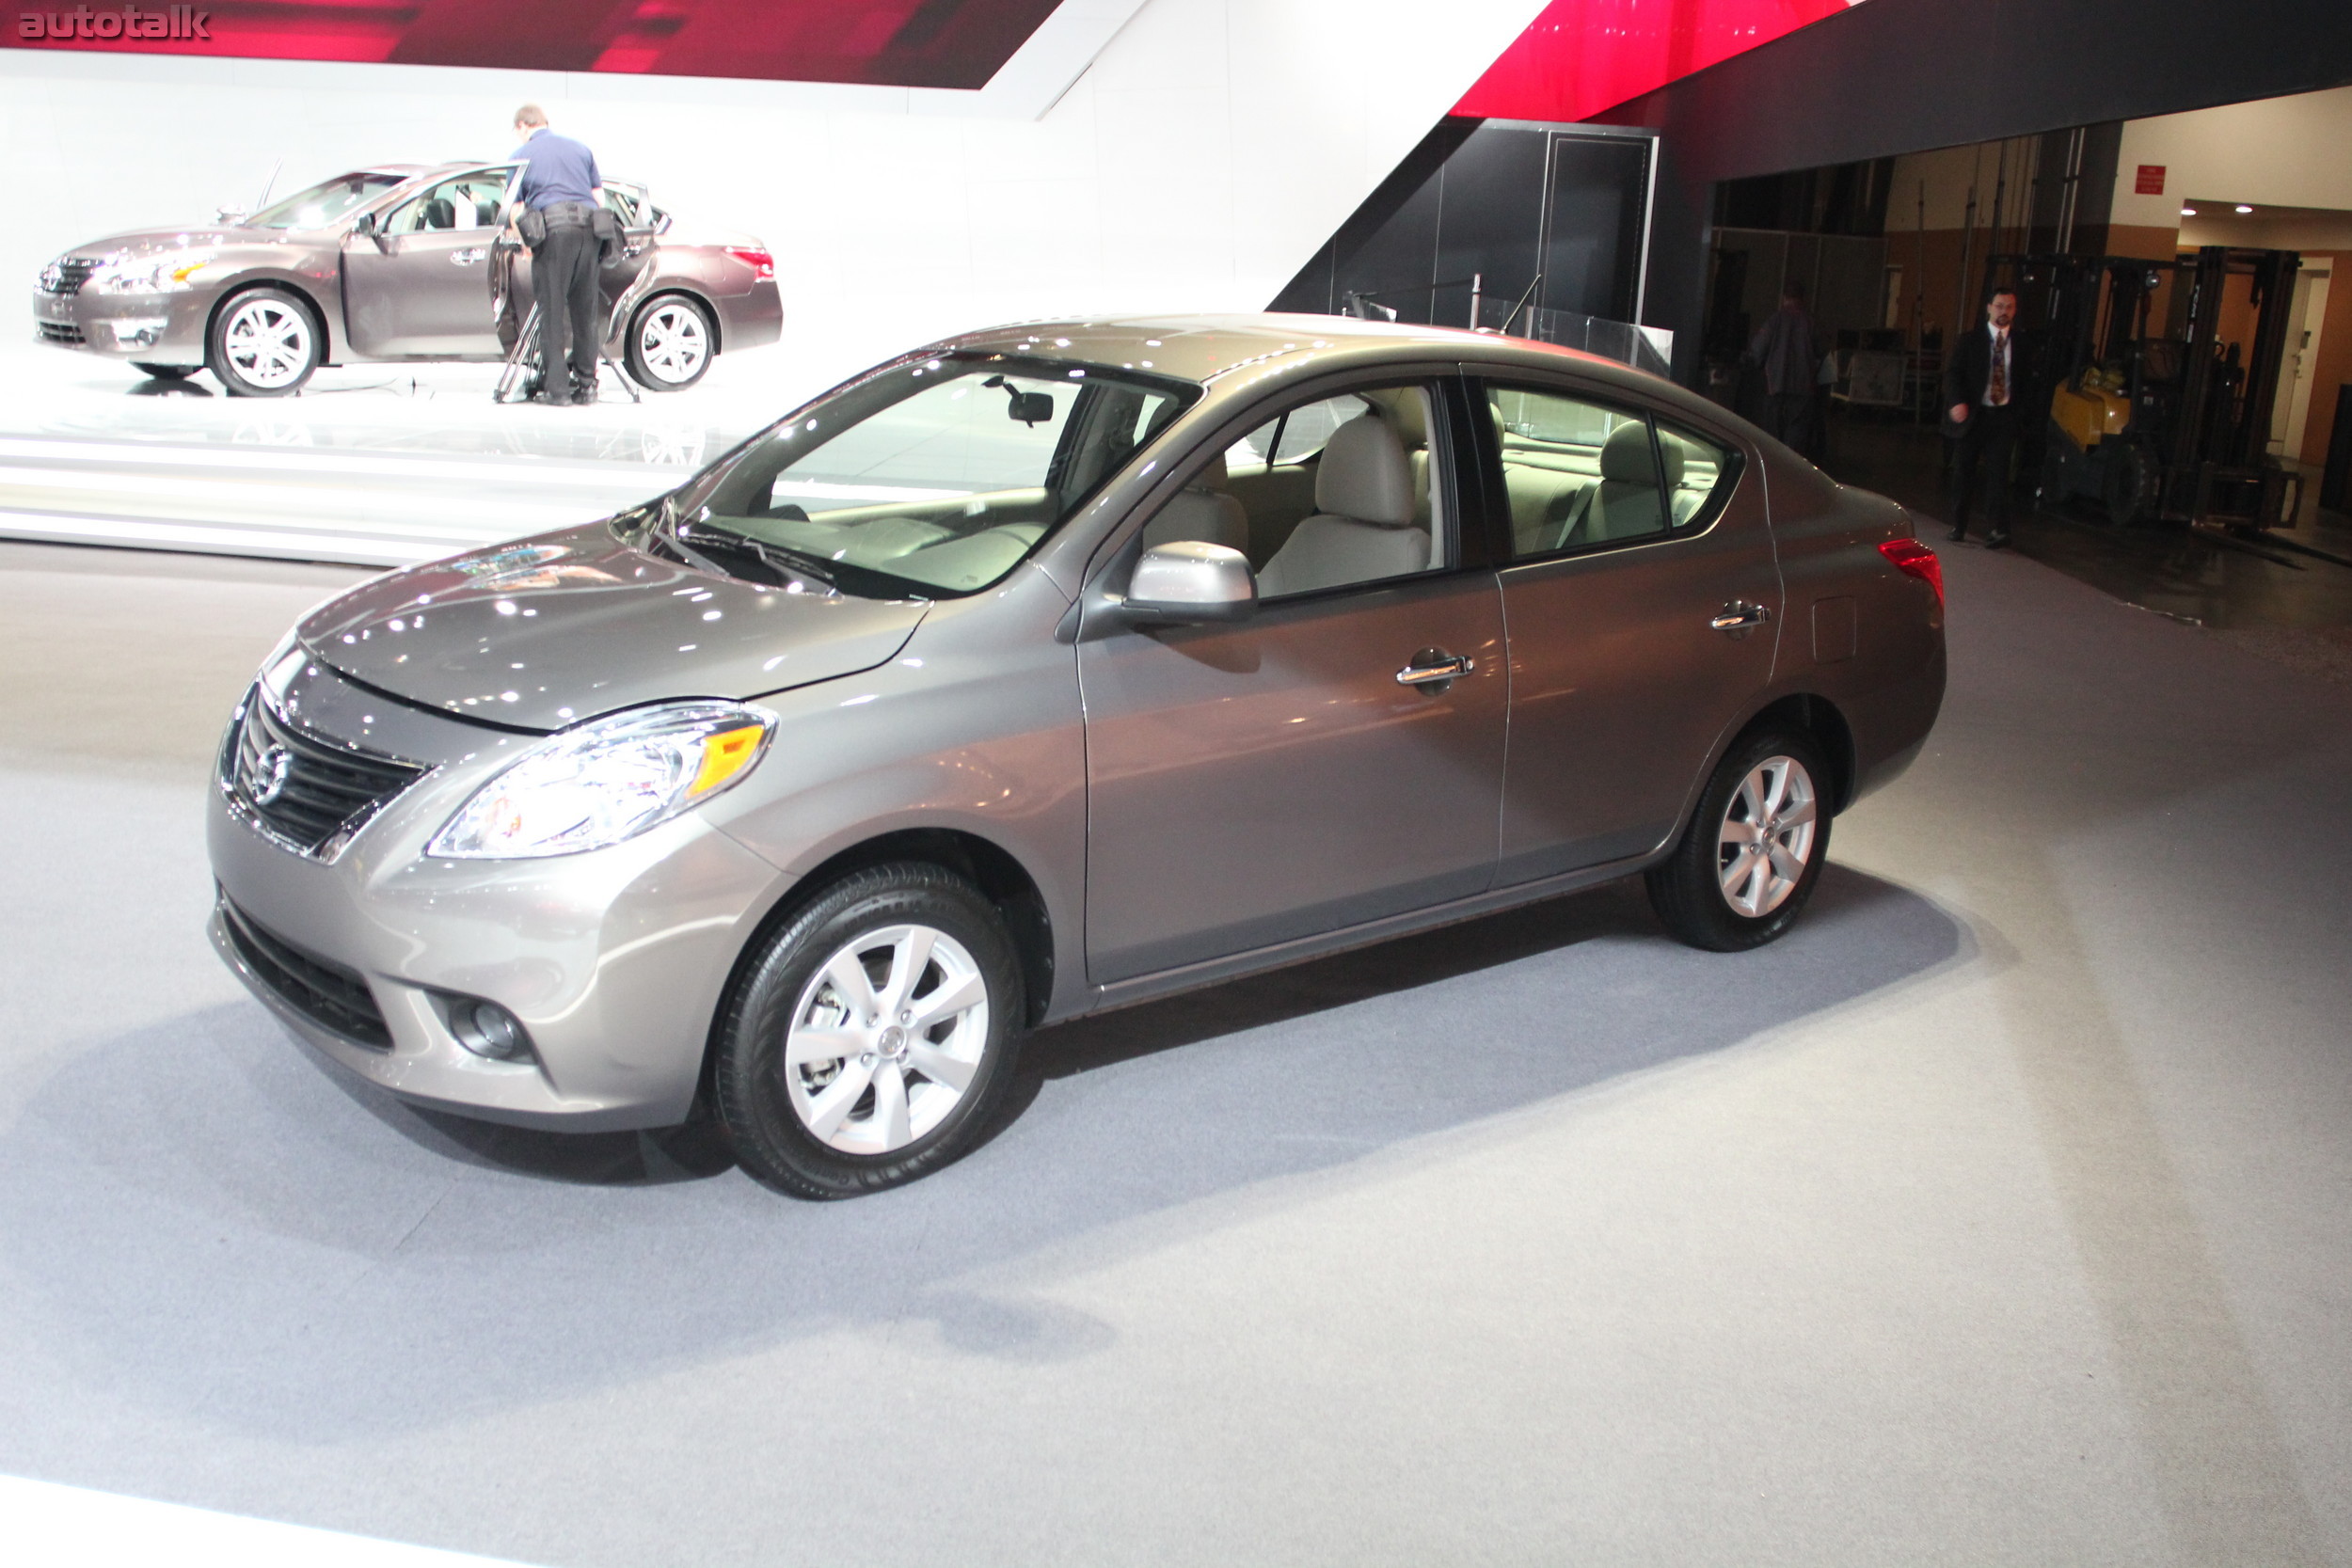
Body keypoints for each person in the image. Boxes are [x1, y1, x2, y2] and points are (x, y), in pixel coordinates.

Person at [509, 103, 604, 406]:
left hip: (553, 231)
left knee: (551, 312)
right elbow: (599, 198)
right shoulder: (581, 149)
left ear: (523, 126)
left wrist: (525, 244)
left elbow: (515, 208)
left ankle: (558, 391)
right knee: (584, 312)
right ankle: (587, 387)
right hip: (590, 231)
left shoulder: (520, 156)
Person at [1943, 286, 2026, 546]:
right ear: (1989, 308)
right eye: (2000, 306)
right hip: (1974, 415)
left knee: (1998, 473)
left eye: (2009, 307)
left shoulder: (2021, 343)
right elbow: (1953, 373)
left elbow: (2026, 382)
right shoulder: (1970, 340)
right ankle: (1959, 524)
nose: (2004, 312)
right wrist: (1957, 402)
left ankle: (1998, 529)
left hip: (2003, 416)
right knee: (1964, 471)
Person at [1746, 279, 1823, 453]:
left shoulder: (1774, 321)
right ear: (1803, 298)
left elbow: (1758, 351)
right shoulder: (1810, 323)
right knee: (1796, 438)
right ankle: (1791, 473)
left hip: (1776, 387)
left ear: (1784, 297)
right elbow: (1821, 351)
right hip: (1803, 390)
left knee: (1772, 438)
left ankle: (1775, 471)